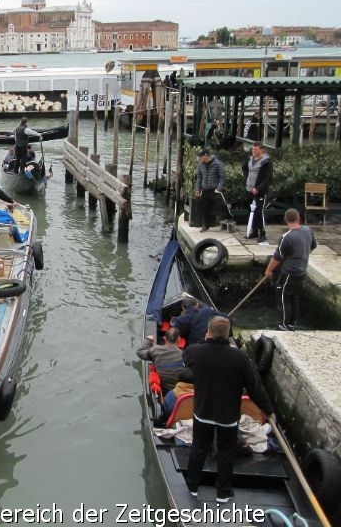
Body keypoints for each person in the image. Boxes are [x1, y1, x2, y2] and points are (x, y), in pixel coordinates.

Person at [184, 316, 274, 503]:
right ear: (228, 334)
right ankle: (223, 493)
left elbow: (190, 358)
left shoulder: (194, 352)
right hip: (228, 416)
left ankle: (192, 486)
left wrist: (206, 341)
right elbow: (254, 388)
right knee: (226, 453)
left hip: (203, 413)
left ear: (208, 332)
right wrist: (268, 410)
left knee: (199, 448)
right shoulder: (240, 357)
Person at [264, 208, 317, 331]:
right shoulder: (308, 230)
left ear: (285, 220)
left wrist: (268, 271)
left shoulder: (286, 237)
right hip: (302, 271)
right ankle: (292, 323)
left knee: (283, 298)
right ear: (299, 217)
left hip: (289, 273)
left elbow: (278, 257)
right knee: (294, 297)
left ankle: (284, 325)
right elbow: (313, 246)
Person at [241, 141, 272, 243]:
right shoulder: (250, 159)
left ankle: (262, 233)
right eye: (253, 149)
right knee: (251, 211)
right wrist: (247, 179)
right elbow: (244, 168)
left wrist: (258, 188)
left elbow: (268, 178)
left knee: (259, 212)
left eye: (256, 149)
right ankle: (254, 231)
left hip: (260, 191)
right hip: (249, 189)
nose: (253, 151)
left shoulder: (266, 162)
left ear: (261, 150)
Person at [135, 327, 183, 392]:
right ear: (178, 339)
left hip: (163, 388)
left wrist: (148, 340)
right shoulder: (183, 354)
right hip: (178, 389)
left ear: (164, 338)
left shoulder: (155, 350)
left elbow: (140, 352)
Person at [194, 148, 225, 232]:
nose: (200, 159)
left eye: (201, 157)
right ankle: (205, 225)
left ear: (206, 155)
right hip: (205, 189)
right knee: (205, 208)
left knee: (221, 206)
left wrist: (219, 189)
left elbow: (222, 177)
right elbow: (199, 177)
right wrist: (198, 189)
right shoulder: (200, 164)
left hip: (215, 190)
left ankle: (228, 219)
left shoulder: (217, 163)